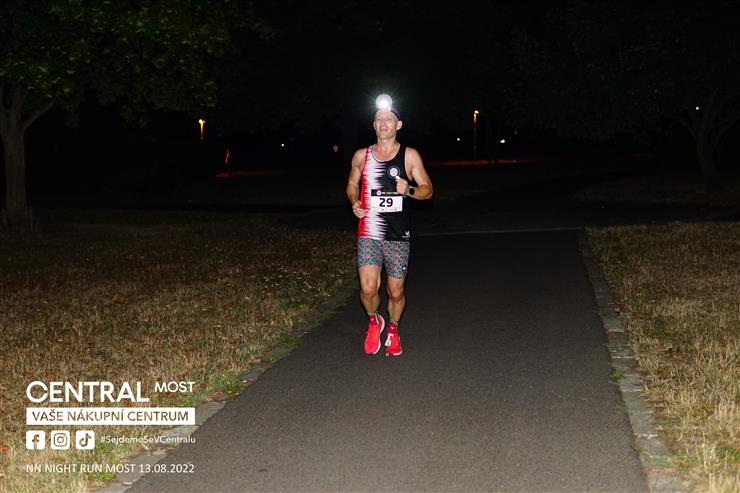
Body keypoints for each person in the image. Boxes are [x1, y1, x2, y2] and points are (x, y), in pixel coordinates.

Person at [345, 96, 433, 356]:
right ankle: (375, 322)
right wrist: (354, 201)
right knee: (368, 288)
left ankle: (393, 329)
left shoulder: (410, 155)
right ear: (374, 125)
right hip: (369, 232)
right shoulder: (361, 156)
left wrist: (409, 190)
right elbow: (352, 184)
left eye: (389, 119)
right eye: (379, 119)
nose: (383, 123)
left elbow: (428, 190)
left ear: (399, 125)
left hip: (397, 234)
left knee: (395, 292)